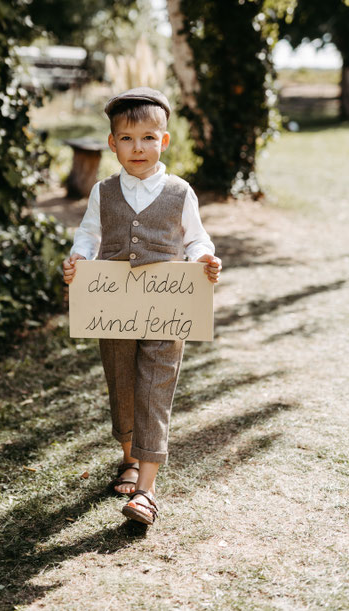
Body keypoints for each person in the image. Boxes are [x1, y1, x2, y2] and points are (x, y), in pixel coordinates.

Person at [62, 87, 222, 526]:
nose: (139, 148)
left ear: (164, 141)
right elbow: (88, 236)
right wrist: (79, 260)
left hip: (168, 307)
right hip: (112, 307)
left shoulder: (179, 191)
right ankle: (129, 458)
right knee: (123, 384)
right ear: (112, 143)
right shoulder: (103, 191)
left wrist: (203, 259)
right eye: (128, 139)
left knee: (155, 387)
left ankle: (147, 490)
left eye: (149, 138)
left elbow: (196, 238)